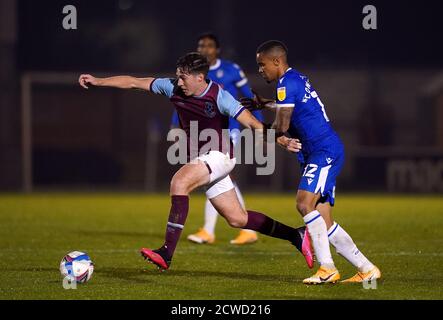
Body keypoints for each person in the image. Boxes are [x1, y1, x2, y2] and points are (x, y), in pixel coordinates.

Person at [78, 52, 314, 271]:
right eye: (178, 76)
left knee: (179, 182)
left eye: (183, 78)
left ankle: (166, 254)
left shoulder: (219, 96)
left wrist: (280, 139)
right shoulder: (171, 87)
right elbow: (132, 81)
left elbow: (252, 122)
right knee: (237, 218)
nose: (179, 82)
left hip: (220, 156)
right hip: (203, 158)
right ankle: (296, 235)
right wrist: (98, 81)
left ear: (200, 77)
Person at [243, 40, 381, 284]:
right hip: (319, 151)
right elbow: (295, 107)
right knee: (324, 220)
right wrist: (265, 104)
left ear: (277, 61)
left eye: (262, 64)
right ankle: (366, 268)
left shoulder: (287, 84)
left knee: (304, 203)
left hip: (322, 151)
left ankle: (327, 268)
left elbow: (282, 125)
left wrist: (262, 131)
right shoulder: (295, 79)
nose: (260, 70)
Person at [171, 33, 263, 245]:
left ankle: (209, 230)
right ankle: (243, 230)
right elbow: (182, 101)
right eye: (201, 45)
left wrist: (259, 126)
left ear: (217, 50)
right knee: (220, 179)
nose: (205, 49)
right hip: (199, 131)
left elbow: (249, 97)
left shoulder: (231, 69)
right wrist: (175, 125)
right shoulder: (190, 73)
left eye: (209, 46)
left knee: (214, 176)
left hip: (228, 129)